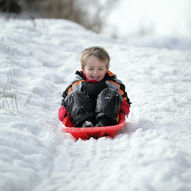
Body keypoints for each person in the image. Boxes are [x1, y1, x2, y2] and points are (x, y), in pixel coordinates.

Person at [58, 46, 131, 127]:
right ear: (83, 69)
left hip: (107, 113)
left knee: (111, 93)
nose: (95, 73)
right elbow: (67, 100)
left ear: (106, 69)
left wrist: (123, 109)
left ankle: (104, 122)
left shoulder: (113, 83)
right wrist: (63, 111)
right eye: (91, 69)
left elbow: (124, 99)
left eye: (100, 69)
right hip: (82, 115)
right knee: (74, 95)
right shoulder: (77, 84)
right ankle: (85, 122)